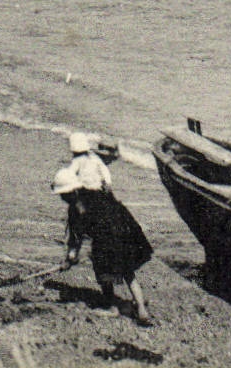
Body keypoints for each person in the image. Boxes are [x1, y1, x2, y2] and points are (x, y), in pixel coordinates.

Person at [76, 137, 156, 326]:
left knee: (103, 263)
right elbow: (108, 193)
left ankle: (110, 305)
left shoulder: (87, 168)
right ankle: (141, 309)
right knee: (127, 268)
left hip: (104, 223)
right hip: (120, 218)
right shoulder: (104, 171)